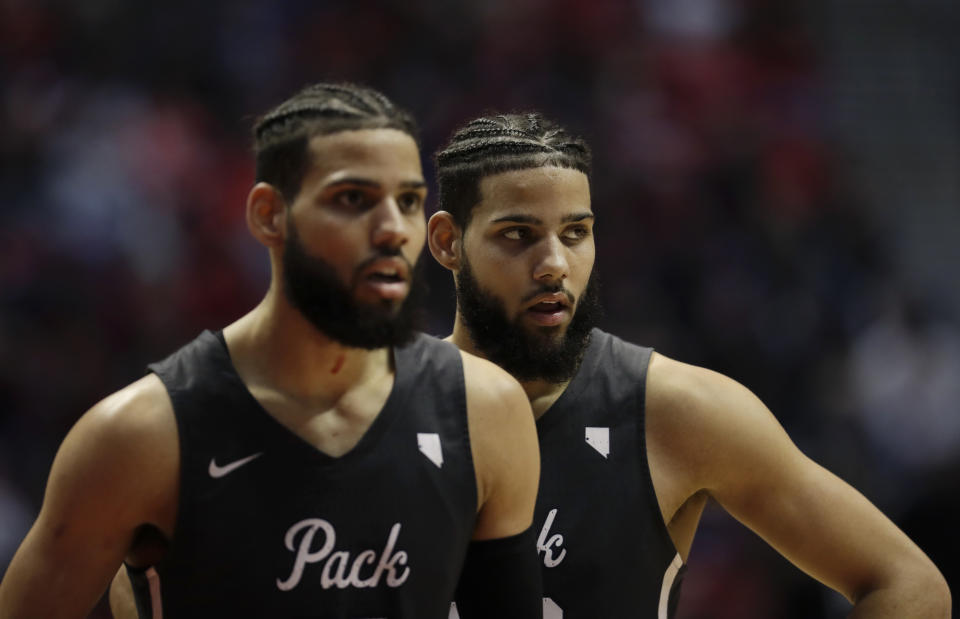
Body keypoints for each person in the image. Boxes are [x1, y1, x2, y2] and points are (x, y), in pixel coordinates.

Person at [0, 84, 543, 619]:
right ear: (269, 215)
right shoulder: (138, 435)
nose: (390, 230)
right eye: (353, 200)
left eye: (407, 202)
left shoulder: (487, 411)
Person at [428, 112, 951, 618]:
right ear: (448, 242)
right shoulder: (373, 411)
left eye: (574, 233)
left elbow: (909, 585)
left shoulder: (676, 410)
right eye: (517, 233)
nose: (555, 265)